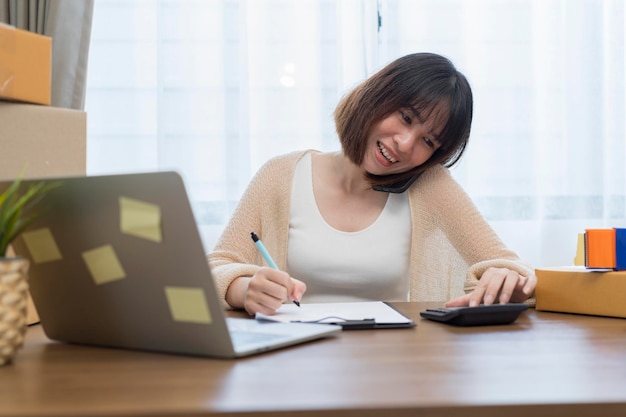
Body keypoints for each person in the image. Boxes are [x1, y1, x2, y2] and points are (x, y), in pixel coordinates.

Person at [208, 52, 536, 316]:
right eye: (406, 117)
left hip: (388, 367)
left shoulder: (430, 186)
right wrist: (244, 289)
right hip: (294, 360)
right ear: (376, 95)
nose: (406, 144)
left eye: (428, 141)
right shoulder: (281, 174)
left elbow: (513, 267)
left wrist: (509, 279)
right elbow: (215, 268)